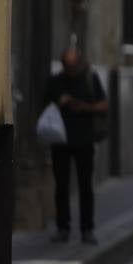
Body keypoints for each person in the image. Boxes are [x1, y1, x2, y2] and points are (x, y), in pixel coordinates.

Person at [44, 47, 109, 244]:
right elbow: (44, 104)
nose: (71, 69)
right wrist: (60, 102)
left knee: (85, 187)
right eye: (68, 66)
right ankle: (63, 227)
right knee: (61, 187)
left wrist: (83, 107)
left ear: (79, 63)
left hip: (84, 140)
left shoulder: (89, 79)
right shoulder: (55, 81)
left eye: (74, 65)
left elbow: (104, 104)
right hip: (61, 140)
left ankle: (87, 229)